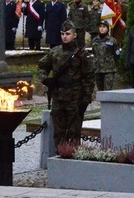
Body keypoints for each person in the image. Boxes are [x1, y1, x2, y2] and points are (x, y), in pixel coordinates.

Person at [37, 21, 94, 149]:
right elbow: (42, 66)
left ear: (74, 35)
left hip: (75, 97)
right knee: (58, 132)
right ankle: (59, 157)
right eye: (62, 34)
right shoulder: (55, 52)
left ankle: (72, 160)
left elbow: (89, 77)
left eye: (67, 34)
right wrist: (45, 79)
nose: (64, 36)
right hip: (58, 96)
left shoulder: (82, 55)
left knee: (74, 132)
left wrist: (86, 97)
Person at [91, 20, 120, 92]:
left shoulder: (112, 40)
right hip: (98, 69)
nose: (101, 28)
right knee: (100, 91)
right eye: (100, 27)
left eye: (104, 27)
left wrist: (115, 65)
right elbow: (94, 52)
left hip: (108, 69)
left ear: (107, 29)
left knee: (108, 91)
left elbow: (116, 54)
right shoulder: (95, 40)